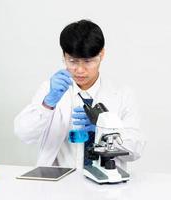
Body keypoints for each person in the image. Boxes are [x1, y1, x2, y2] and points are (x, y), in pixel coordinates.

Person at [14, 19, 145, 170]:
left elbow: (136, 149)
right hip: (59, 183)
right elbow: (23, 133)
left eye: (88, 61)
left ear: (101, 54)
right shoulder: (50, 90)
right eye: (73, 61)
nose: (80, 70)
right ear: (63, 56)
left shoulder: (123, 95)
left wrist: (103, 130)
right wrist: (48, 103)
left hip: (106, 183)